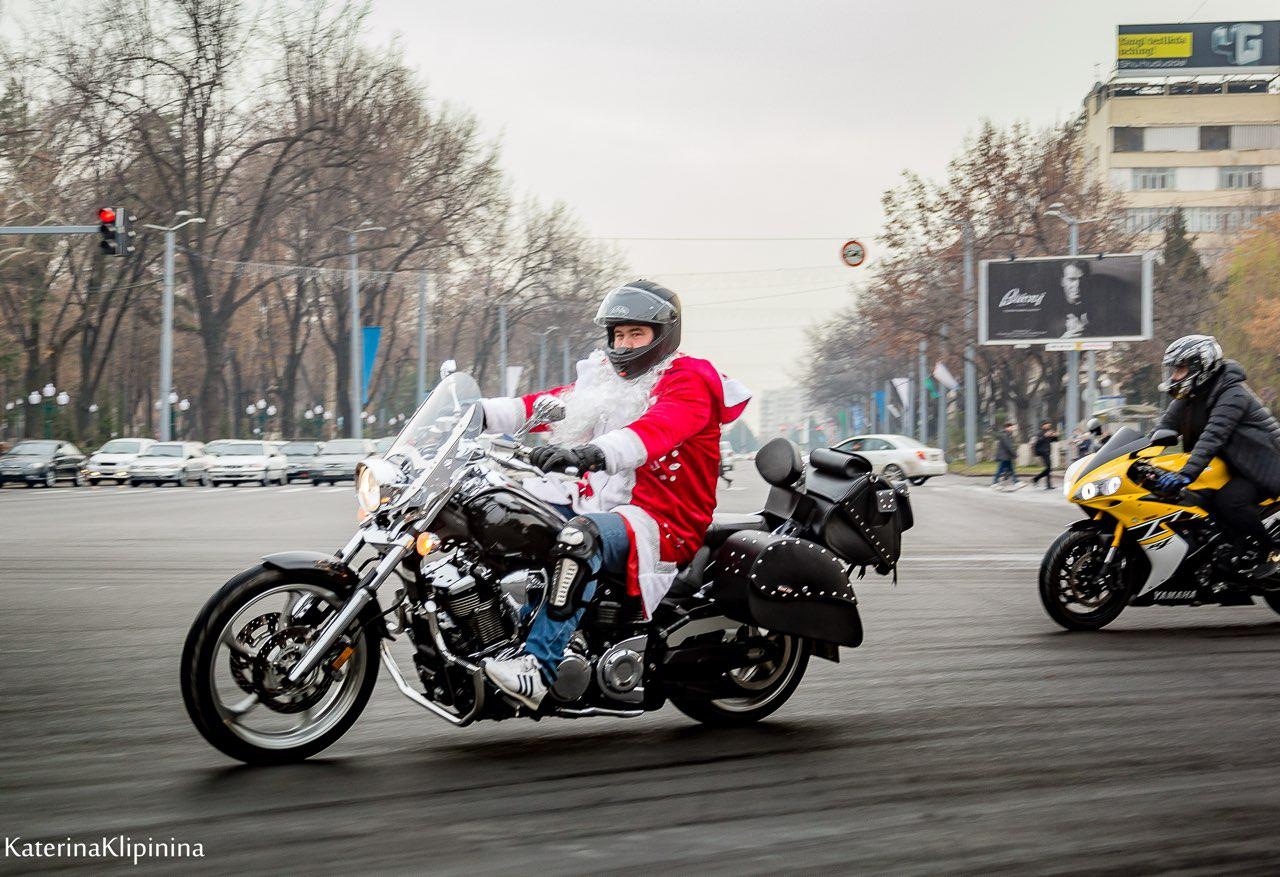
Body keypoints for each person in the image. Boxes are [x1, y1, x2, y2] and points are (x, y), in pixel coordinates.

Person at [476, 279, 750, 708]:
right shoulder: (606, 379)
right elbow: (552, 403)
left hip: (659, 519)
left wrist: (590, 453)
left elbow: (653, 432)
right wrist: (479, 413)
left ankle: (538, 665)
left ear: (663, 335)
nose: (624, 344)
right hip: (598, 501)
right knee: (503, 512)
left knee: (579, 537)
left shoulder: (691, 379)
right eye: (618, 334)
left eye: (635, 333)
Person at [1150, 334, 1280, 577]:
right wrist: (1144, 453)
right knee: (1194, 499)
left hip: (1261, 465)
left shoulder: (1233, 394)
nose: (1174, 377)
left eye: (1180, 369)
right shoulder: (1191, 395)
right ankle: (1227, 551)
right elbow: (1163, 427)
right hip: (1230, 465)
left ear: (1201, 366)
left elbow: (1213, 436)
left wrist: (1186, 474)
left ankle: (1271, 551)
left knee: (1229, 502)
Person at [1031, 421, 1059, 490]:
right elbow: (1037, 442)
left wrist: (1056, 436)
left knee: (1048, 468)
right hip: (1042, 452)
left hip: (1047, 451)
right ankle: (1038, 480)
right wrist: (1045, 436)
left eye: (1049, 425)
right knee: (1049, 468)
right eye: (1047, 425)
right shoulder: (1039, 433)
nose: (1048, 426)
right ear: (1043, 425)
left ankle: (1038, 480)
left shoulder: (1049, 432)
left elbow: (1054, 440)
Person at [992, 422, 1021, 489]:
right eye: (1011, 427)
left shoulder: (1008, 435)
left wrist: (1013, 454)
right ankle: (994, 482)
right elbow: (1008, 446)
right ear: (1007, 428)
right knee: (1000, 469)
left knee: (1011, 469)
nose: (1012, 428)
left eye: (1012, 427)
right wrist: (1014, 454)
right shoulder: (1005, 435)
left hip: (1007, 456)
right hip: (1004, 456)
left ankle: (1015, 481)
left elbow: (1010, 446)